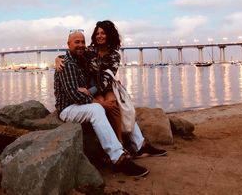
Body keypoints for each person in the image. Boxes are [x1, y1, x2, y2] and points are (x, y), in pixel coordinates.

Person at [54, 30, 164, 177]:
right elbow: (74, 95)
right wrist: (58, 58)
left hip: (92, 94)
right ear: (68, 44)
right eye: (76, 42)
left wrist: (90, 91)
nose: (81, 45)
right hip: (68, 108)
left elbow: (101, 80)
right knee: (97, 109)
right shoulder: (68, 64)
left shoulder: (92, 56)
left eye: (82, 42)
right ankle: (118, 158)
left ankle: (139, 144)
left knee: (116, 102)